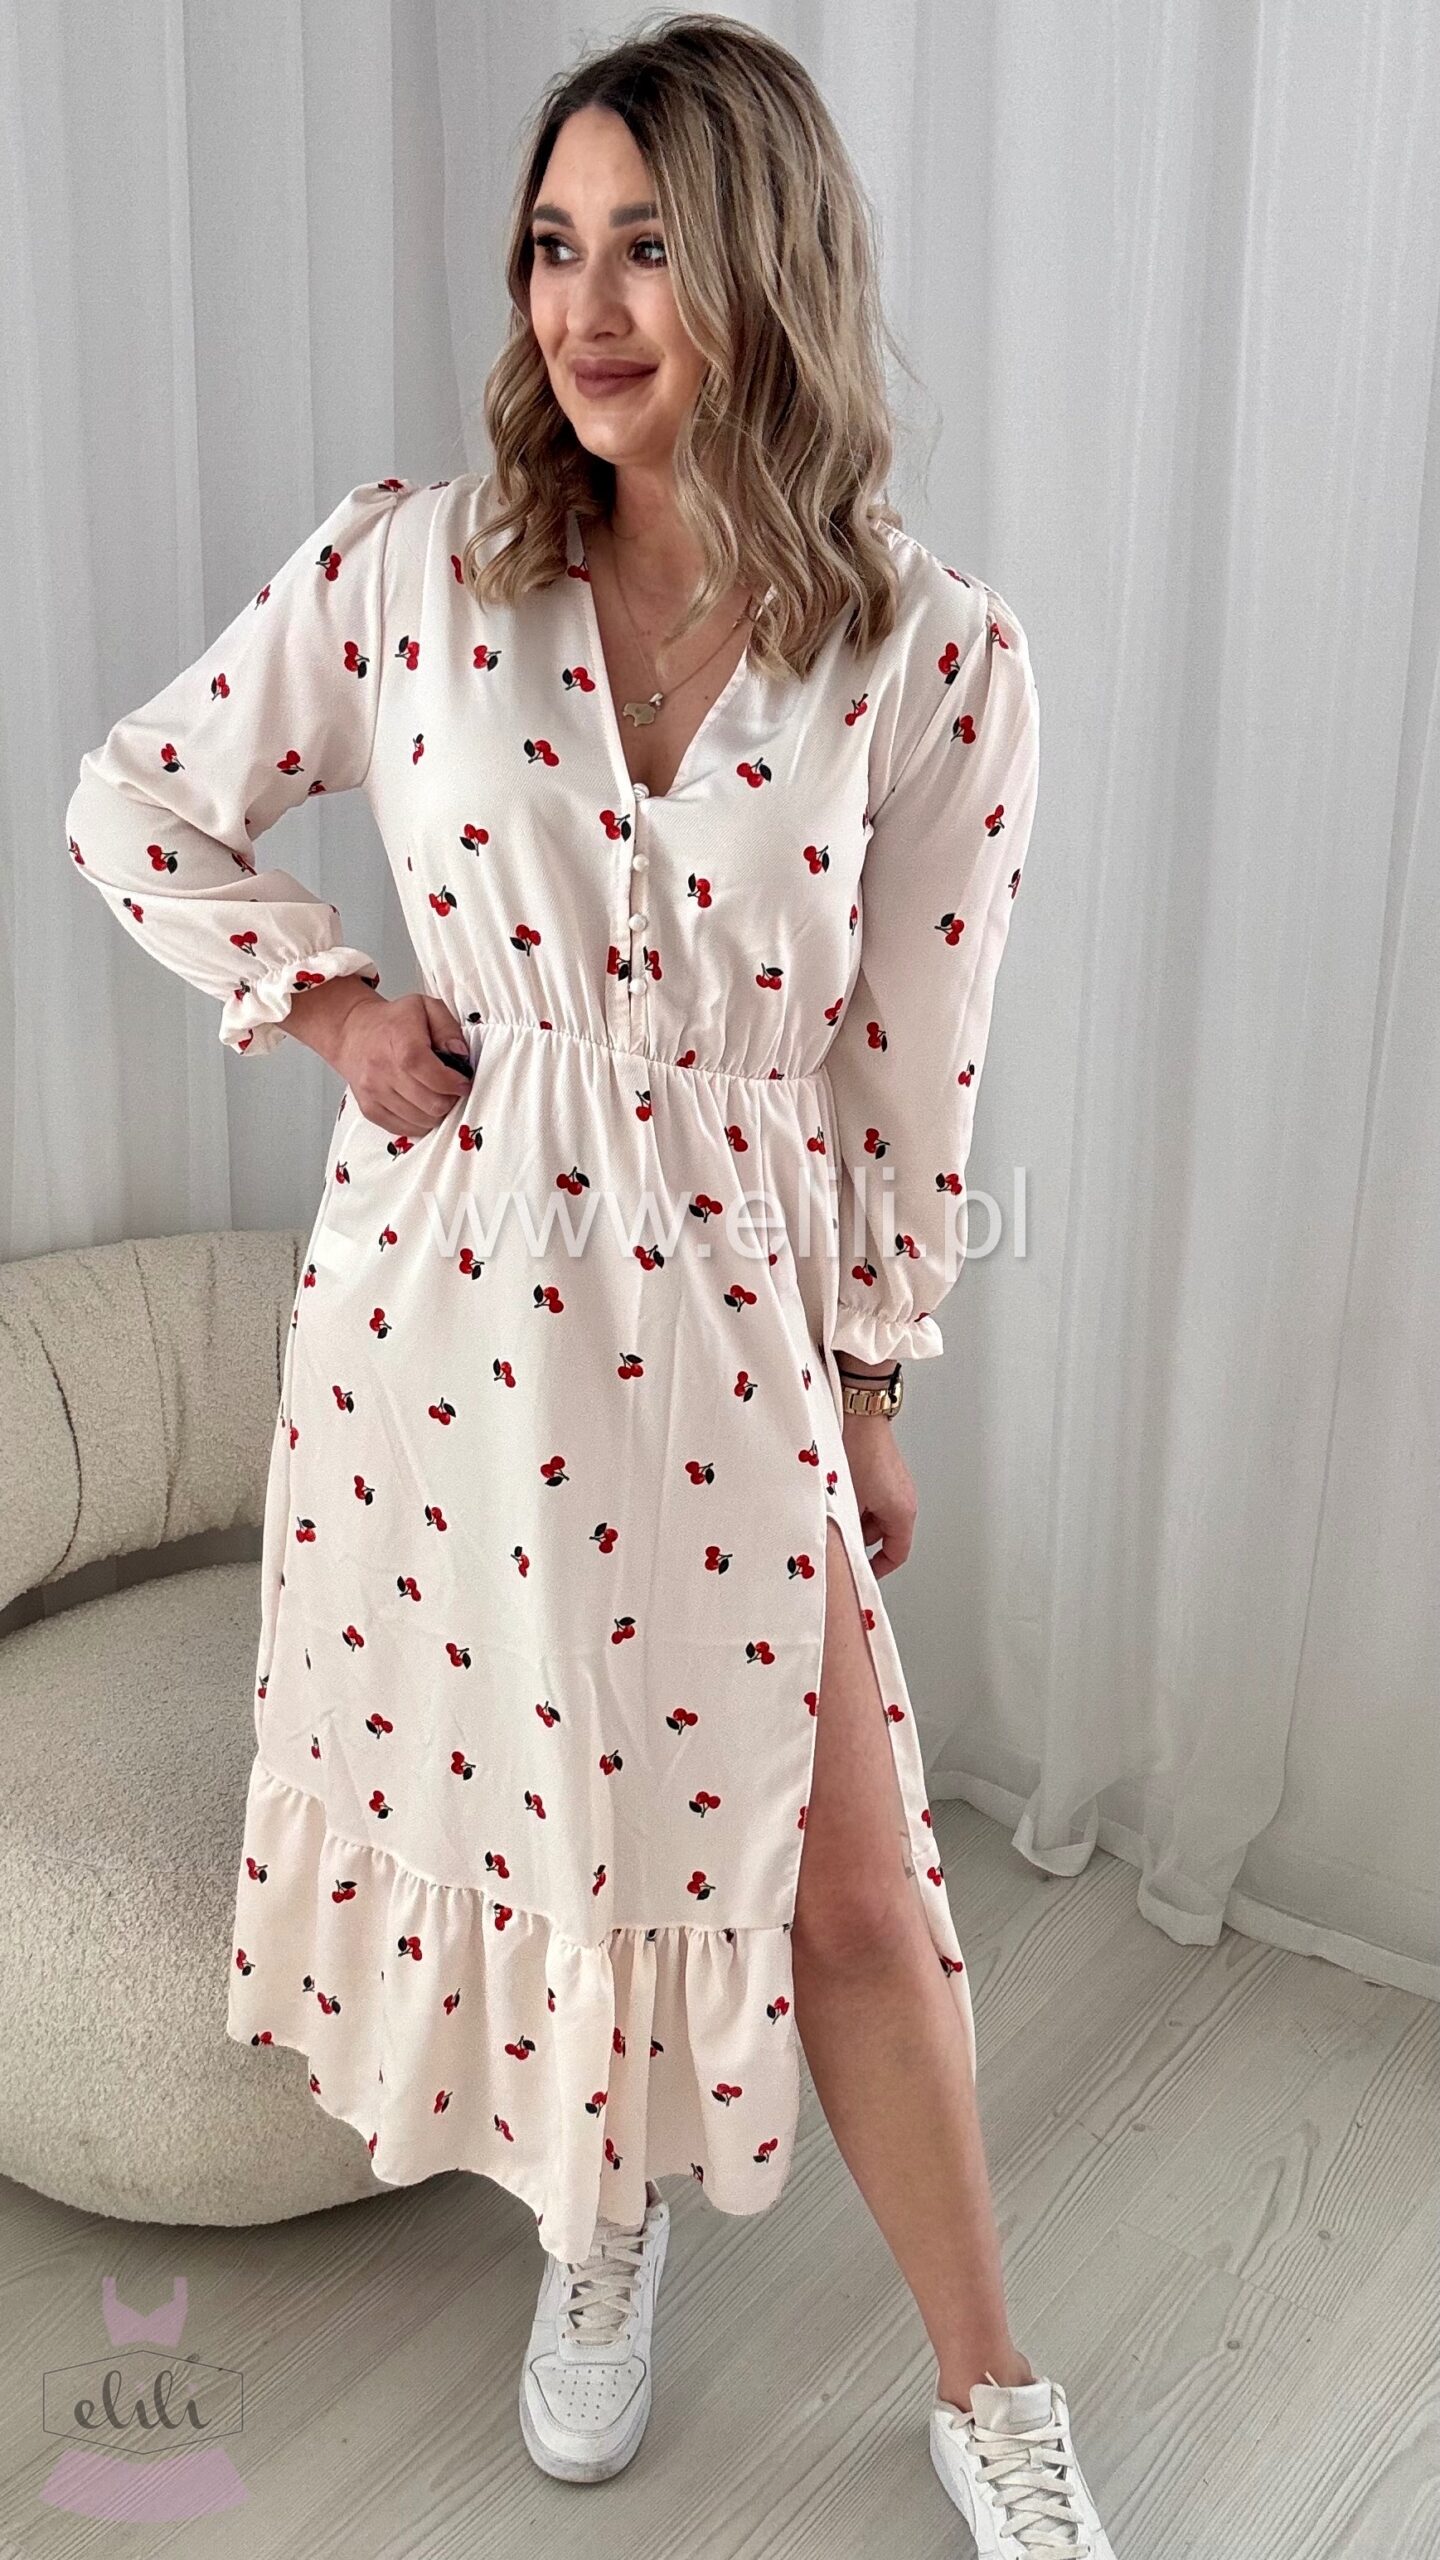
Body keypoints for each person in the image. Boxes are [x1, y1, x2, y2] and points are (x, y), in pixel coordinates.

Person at [64, 14, 1116, 2551]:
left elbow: (910, 1063)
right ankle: (596, 2213)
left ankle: (992, 2386)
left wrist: (878, 1378)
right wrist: (330, 1002)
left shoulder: (931, 656)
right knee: (551, 1800)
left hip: (736, 1316)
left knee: (850, 1878)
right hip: (450, 1307)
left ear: (768, 269)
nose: (588, 304)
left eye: (649, 245)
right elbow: (134, 794)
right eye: (554, 244)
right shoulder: (418, 570)